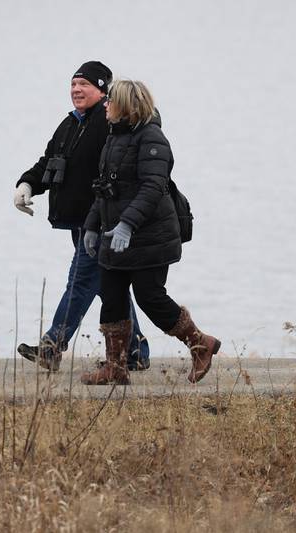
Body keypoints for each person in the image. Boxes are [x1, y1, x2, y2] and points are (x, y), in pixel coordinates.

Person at [80, 79, 220, 385]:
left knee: (150, 298)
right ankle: (115, 368)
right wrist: (91, 226)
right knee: (112, 298)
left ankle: (201, 345)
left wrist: (127, 224)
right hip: (114, 237)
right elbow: (104, 190)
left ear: (126, 106)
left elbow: (153, 187)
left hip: (150, 238)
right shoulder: (114, 138)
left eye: (110, 101)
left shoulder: (151, 138)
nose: (105, 105)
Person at [13, 61, 150, 372]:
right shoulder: (72, 122)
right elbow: (49, 161)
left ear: (102, 90)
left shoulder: (109, 121)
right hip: (79, 221)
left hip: (103, 220)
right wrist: (28, 184)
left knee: (82, 279)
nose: (76, 89)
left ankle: (52, 346)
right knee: (106, 285)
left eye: (84, 84)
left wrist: (119, 217)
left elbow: (122, 171)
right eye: (73, 84)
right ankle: (137, 351)